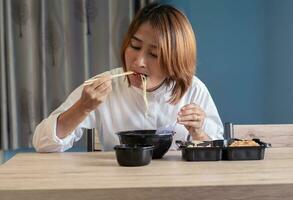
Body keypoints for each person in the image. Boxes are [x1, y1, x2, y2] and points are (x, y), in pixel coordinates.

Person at [33, 3, 223, 152]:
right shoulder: (104, 84)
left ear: (175, 61)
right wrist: (82, 108)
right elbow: (43, 143)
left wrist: (198, 132)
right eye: (135, 46)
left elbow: (217, 151)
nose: (138, 61)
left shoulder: (193, 89)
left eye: (154, 54)